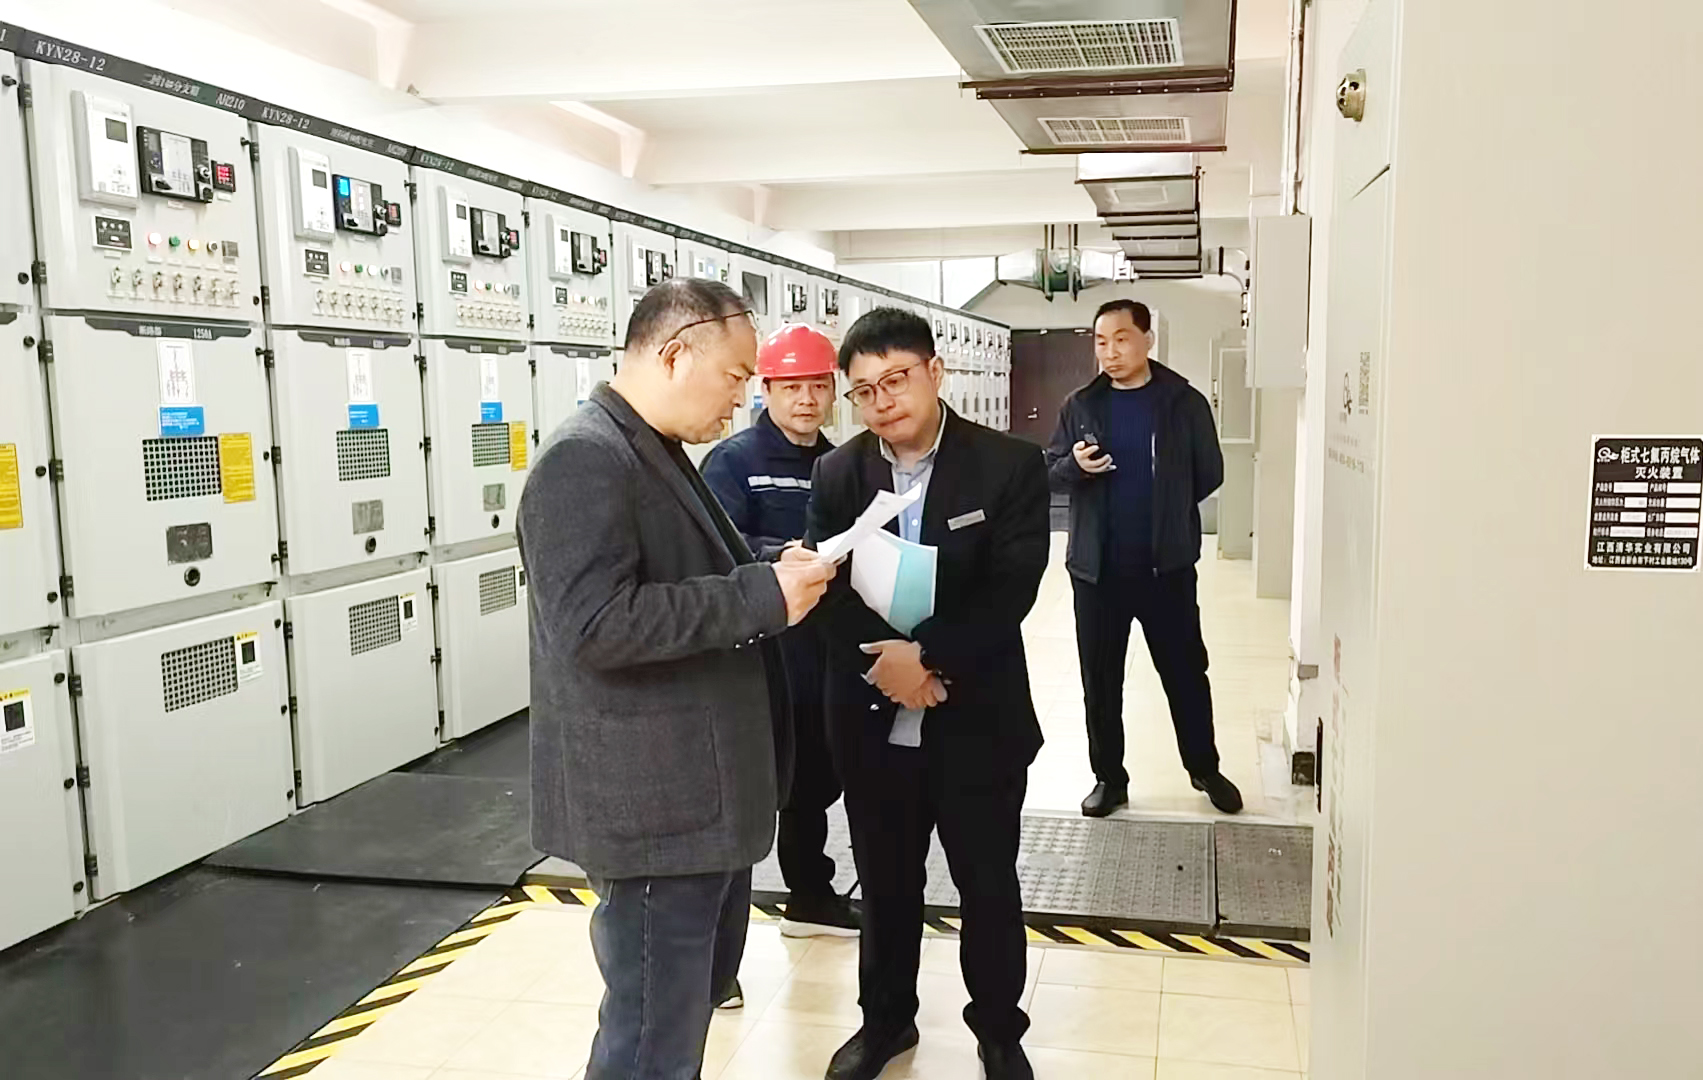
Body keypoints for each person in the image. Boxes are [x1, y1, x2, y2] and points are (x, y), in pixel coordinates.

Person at [518, 278, 837, 1080]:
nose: (742, 397)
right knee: (649, 1038)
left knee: (679, 1016)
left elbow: (686, 571)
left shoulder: (651, 449)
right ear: (672, 354)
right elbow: (595, 626)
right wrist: (760, 598)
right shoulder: (584, 460)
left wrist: (773, 568)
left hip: (699, 798)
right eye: (734, 376)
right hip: (653, 810)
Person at [806, 307, 1050, 1080]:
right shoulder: (838, 474)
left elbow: (1010, 587)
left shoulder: (1007, 465)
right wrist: (887, 665)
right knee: (884, 882)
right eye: (864, 390)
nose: (882, 401)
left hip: (974, 713)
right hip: (871, 715)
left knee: (986, 882)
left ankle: (998, 1029)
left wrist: (928, 658)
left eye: (896, 380)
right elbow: (823, 585)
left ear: (934, 373)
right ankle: (884, 1023)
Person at [1044, 298, 1243, 818]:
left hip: (1166, 570)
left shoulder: (1183, 402)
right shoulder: (1080, 405)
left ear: (1147, 340)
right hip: (1097, 573)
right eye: (1101, 342)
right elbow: (1049, 471)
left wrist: (1170, 508)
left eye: (1121, 339)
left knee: (1186, 673)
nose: (1110, 352)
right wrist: (1074, 467)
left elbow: (1210, 471)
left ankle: (1204, 768)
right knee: (1100, 682)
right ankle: (1109, 779)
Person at [702, 324, 861, 941]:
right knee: (755, 784)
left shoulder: (840, 463)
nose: (806, 400)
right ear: (764, 390)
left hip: (825, 643)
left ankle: (811, 896)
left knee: (815, 774)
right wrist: (781, 554)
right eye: (791, 387)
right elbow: (717, 549)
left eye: (817, 386)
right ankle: (722, 939)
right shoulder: (734, 461)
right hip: (764, 647)